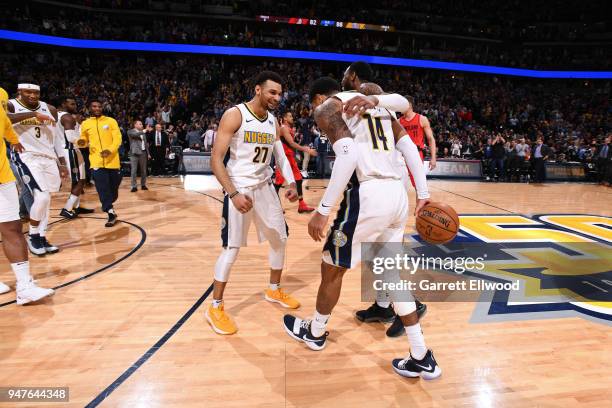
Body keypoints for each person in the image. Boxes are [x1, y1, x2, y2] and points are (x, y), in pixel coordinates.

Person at [283, 78, 441, 380]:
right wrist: (423, 193)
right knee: (391, 274)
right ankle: (420, 354)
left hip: (367, 195)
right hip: (397, 195)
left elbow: (349, 156)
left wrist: (323, 210)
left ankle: (315, 331)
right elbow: (408, 147)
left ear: (318, 97)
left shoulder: (329, 107)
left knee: (331, 266)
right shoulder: (381, 109)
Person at [206, 71, 300, 335]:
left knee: (279, 238)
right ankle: (215, 306)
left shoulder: (272, 120)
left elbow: (279, 154)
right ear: (258, 90)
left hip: (265, 187)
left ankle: (273, 289)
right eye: (272, 92)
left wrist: (291, 183)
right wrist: (233, 194)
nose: (277, 97)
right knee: (231, 248)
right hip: (240, 188)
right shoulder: (235, 114)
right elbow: (216, 159)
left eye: (279, 94)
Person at [339, 62, 427, 337]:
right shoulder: (372, 110)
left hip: (383, 188)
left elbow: (410, 148)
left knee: (381, 258)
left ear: (354, 77)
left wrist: (423, 194)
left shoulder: (378, 107)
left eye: (345, 75)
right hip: (387, 189)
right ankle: (383, 306)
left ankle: (411, 306)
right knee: (378, 257)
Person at [0, 101, 55, 304]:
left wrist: (14, 139)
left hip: (3, 175)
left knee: (13, 227)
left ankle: (24, 287)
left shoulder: (1, 94)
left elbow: (5, 122)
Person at [7, 82, 69, 256]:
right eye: (28, 92)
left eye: (36, 93)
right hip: (26, 156)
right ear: (20, 92)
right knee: (41, 197)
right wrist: (34, 114)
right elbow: (4, 118)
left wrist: (62, 162)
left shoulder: (50, 108)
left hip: (48, 157)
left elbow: (56, 138)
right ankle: (33, 236)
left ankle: (41, 236)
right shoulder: (12, 104)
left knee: (47, 200)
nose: (33, 96)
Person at [78, 99, 122, 227]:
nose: (97, 108)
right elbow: (84, 139)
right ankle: (110, 212)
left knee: (113, 190)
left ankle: (109, 201)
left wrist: (110, 150)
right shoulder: (85, 124)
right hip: (96, 161)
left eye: (99, 106)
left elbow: (117, 139)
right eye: (94, 106)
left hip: (113, 161)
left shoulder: (111, 121)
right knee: (102, 189)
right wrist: (82, 142)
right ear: (89, 108)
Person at [57, 96, 94, 219]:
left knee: (78, 180)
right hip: (70, 150)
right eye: (72, 104)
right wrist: (91, 144)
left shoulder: (55, 115)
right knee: (80, 181)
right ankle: (67, 208)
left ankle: (76, 207)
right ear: (64, 104)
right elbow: (72, 139)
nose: (75, 106)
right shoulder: (67, 117)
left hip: (64, 150)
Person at [273, 111, 318, 213]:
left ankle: (301, 205)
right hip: (284, 159)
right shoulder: (284, 128)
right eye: (289, 116)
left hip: (290, 157)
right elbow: (291, 144)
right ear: (284, 118)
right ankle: (275, 205)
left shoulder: (289, 128)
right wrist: (307, 149)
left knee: (298, 179)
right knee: (278, 183)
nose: (292, 117)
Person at [398, 96, 437, 189]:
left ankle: (420, 203)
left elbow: (431, 139)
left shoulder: (421, 119)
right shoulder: (398, 122)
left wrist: (433, 158)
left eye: (401, 104)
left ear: (409, 105)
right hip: (401, 155)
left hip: (416, 153)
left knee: (418, 186)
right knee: (399, 184)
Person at [128, 120, 149, 192]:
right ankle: (134, 186)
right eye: (140, 124)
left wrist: (148, 153)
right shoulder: (130, 131)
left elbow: (145, 144)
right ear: (135, 125)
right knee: (134, 170)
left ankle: (143, 185)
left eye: (142, 124)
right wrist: (144, 131)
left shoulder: (143, 133)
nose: (142, 125)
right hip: (134, 153)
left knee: (143, 170)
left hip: (143, 153)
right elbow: (135, 135)